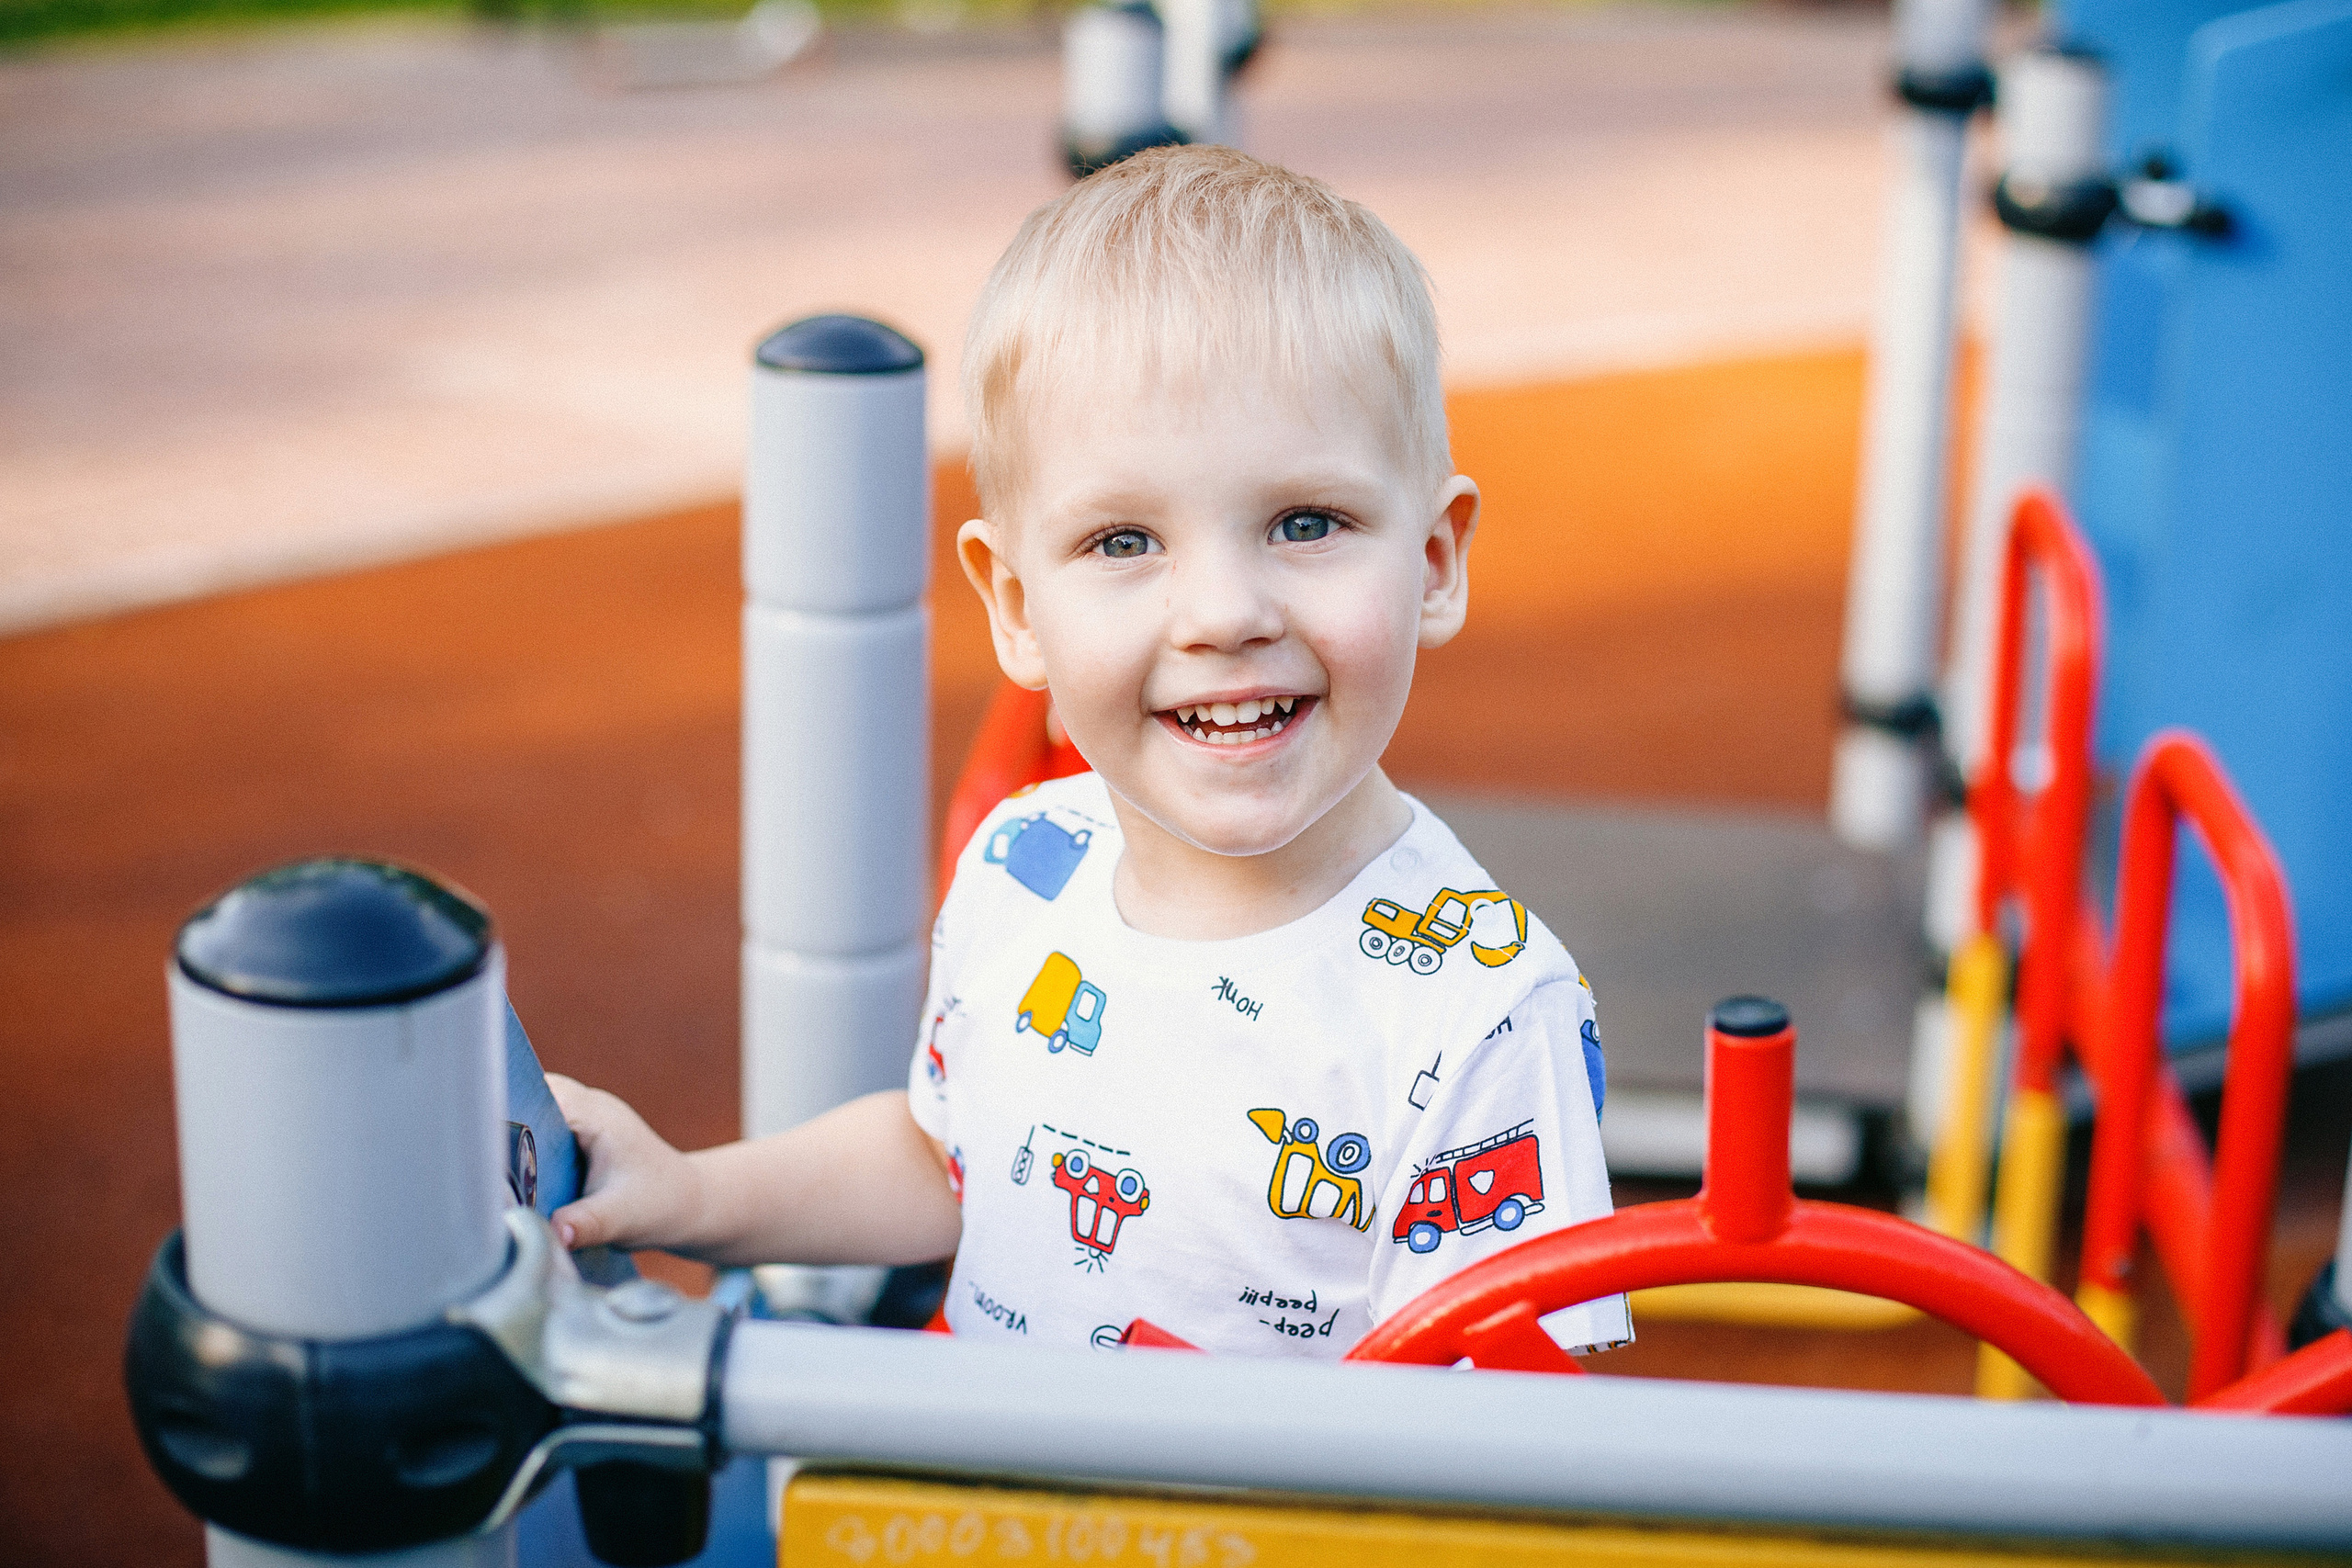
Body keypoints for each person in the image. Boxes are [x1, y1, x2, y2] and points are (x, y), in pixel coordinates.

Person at [550, 144, 1630, 1358]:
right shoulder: (1026, 865)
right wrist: (692, 1196)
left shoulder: (1477, 1011)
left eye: (1306, 522)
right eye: (1126, 541)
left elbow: (1515, 1439)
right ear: (1015, 606)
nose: (1224, 612)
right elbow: (953, 1155)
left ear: (1434, 562)